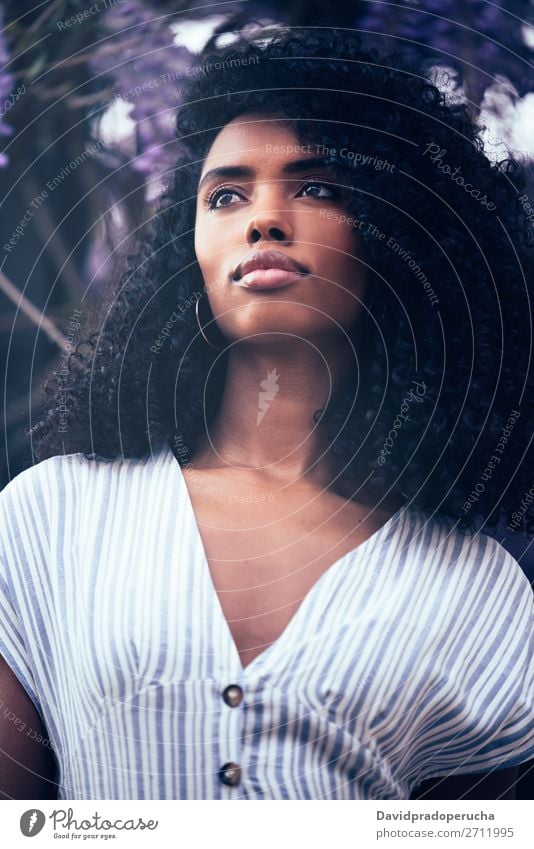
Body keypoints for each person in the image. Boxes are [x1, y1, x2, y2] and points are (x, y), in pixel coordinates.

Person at [1, 26, 533, 801]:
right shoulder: (51, 514)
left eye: (316, 187)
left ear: (404, 230)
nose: (264, 218)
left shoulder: (483, 593)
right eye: (226, 194)